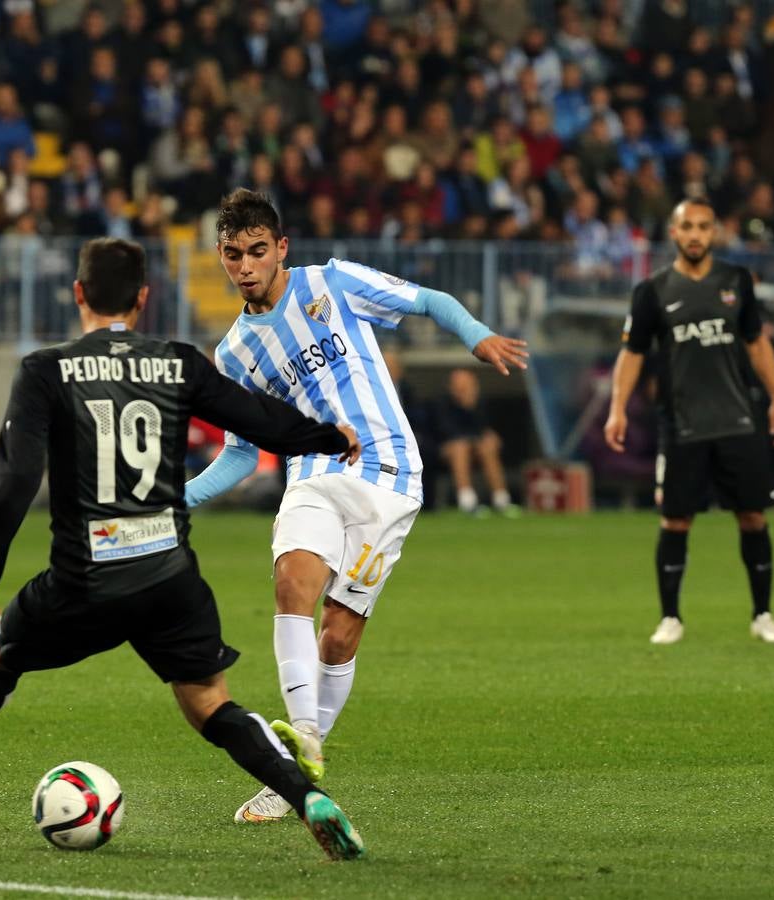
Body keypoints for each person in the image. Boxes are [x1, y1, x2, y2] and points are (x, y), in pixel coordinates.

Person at [0, 238, 367, 860]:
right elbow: (260, 419)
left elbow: (14, 482)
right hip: (169, 578)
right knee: (211, 704)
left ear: (77, 294)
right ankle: (305, 796)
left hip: (84, 578)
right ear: (144, 299)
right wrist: (328, 434)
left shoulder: (45, 369)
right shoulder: (178, 362)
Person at [185, 189, 528, 823]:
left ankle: (302, 753)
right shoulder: (232, 355)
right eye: (233, 255)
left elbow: (431, 300)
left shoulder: (332, 282)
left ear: (281, 248)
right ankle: (293, 760)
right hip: (314, 473)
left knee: (338, 638)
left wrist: (476, 337)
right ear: (222, 258)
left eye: (258, 251)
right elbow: (238, 454)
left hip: (390, 476)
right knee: (292, 582)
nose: (246, 266)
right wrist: (176, 501)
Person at [603, 197, 774, 645]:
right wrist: (617, 407)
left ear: (714, 233)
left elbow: (757, 344)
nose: (695, 235)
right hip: (682, 424)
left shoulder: (736, 281)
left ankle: (763, 614)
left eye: (704, 227)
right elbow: (632, 354)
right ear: (673, 232)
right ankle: (671, 618)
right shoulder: (652, 290)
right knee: (675, 521)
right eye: (687, 226)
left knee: (753, 517)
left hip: (738, 420)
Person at [435, 367, 521, 516]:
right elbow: (448, 432)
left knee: (488, 446)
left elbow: (483, 429)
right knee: (460, 448)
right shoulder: (441, 403)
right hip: (447, 449)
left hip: (475, 447)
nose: (464, 388)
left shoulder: (480, 403)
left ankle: (502, 500)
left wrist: (470, 407)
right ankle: (467, 501)